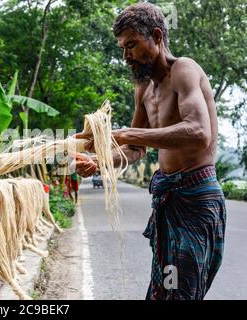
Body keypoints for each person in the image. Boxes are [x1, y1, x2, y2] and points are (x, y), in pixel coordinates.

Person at [73, 3, 226, 300]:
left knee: (181, 292)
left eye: (131, 45)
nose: (126, 55)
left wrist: (120, 133)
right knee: (165, 289)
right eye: (122, 47)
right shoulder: (143, 89)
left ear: (156, 36)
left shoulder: (184, 70)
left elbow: (199, 133)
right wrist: (99, 161)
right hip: (167, 200)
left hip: (197, 199)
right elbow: (135, 149)